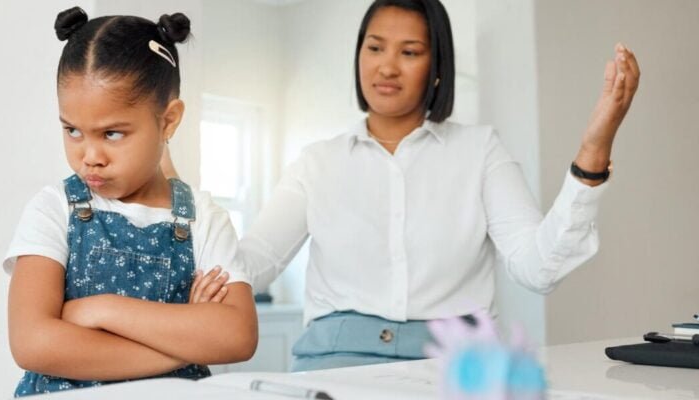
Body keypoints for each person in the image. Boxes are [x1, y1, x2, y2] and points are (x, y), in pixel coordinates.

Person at [234, 0, 639, 371]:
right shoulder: (316, 162)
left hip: (457, 366)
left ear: (437, 66)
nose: (387, 67)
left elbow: (538, 268)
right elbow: (251, 264)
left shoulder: (480, 151)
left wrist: (593, 147)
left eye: (409, 52)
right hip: (334, 364)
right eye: (375, 48)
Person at [4, 7, 256, 397]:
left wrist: (102, 309)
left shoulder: (204, 220)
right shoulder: (53, 209)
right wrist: (184, 344)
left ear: (168, 121)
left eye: (112, 134)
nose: (90, 155)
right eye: (72, 130)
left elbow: (237, 336)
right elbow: (33, 343)